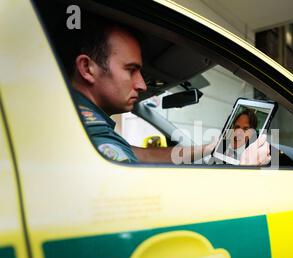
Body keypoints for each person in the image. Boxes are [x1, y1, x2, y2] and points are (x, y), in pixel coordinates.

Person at [57, 15, 270, 165]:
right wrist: (247, 170)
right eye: (131, 70)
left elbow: (143, 155)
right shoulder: (95, 141)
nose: (141, 85)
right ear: (87, 68)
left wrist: (208, 148)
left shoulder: (82, 127)